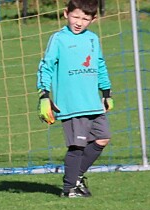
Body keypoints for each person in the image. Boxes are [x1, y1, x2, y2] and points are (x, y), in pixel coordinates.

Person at [36, 0, 112, 198]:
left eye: (85, 19)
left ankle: (75, 177)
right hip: (71, 104)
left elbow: (100, 65)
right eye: (75, 17)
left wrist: (106, 92)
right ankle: (69, 188)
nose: (79, 22)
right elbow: (46, 66)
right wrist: (44, 95)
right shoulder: (59, 39)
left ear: (93, 19)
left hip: (93, 103)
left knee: (103, 138)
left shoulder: (93, 39)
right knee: (77, 146)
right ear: (65, 14)